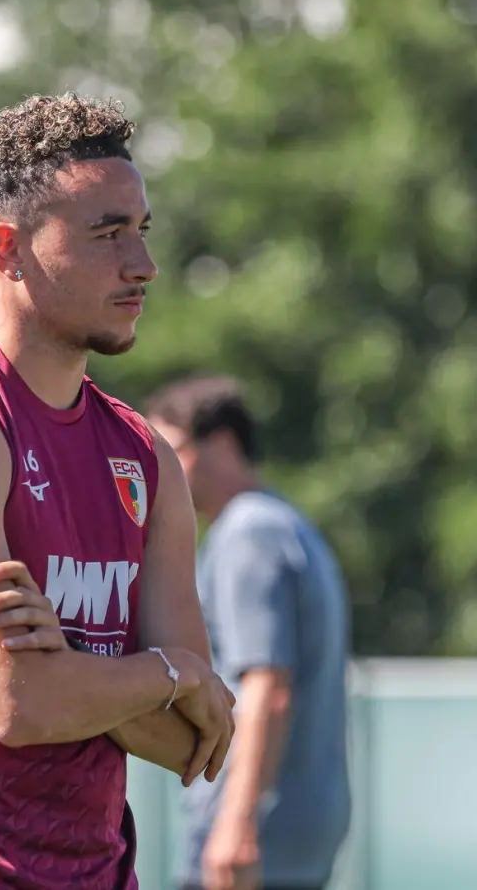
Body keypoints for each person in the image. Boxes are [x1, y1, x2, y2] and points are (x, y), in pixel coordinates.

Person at [0, 93, 236, 889]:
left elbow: (194, 743)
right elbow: (18, 704)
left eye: (141, 230)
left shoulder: (144, 454)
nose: (144, 265)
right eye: (107, 234)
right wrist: (165, 672)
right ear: (9, 250)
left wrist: (78, 669)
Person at [143, 375, 353, 890]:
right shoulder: (286, 524)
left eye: (171, 451)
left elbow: (267, 688)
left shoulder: (248, 534)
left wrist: (236, 823)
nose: (159, 471)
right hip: (296, 826)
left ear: (222, 445)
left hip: (253, 833)